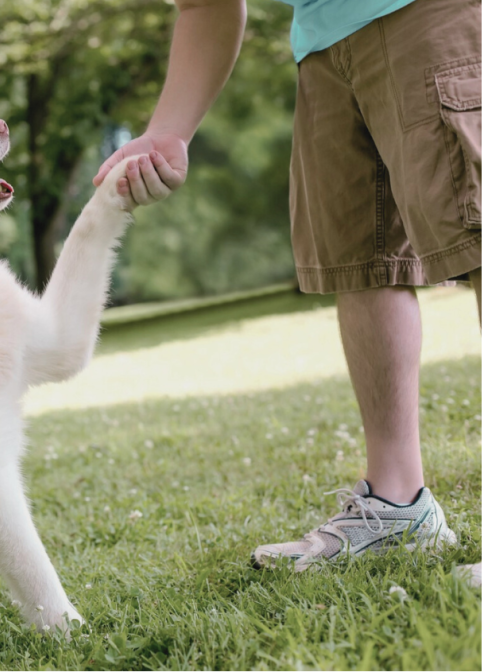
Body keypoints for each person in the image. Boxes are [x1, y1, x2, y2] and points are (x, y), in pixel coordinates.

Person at [95, 0, 481, 581]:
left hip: (430, 13)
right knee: (359, 262)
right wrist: (168, 131)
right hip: (322, 48)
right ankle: (399, 507)